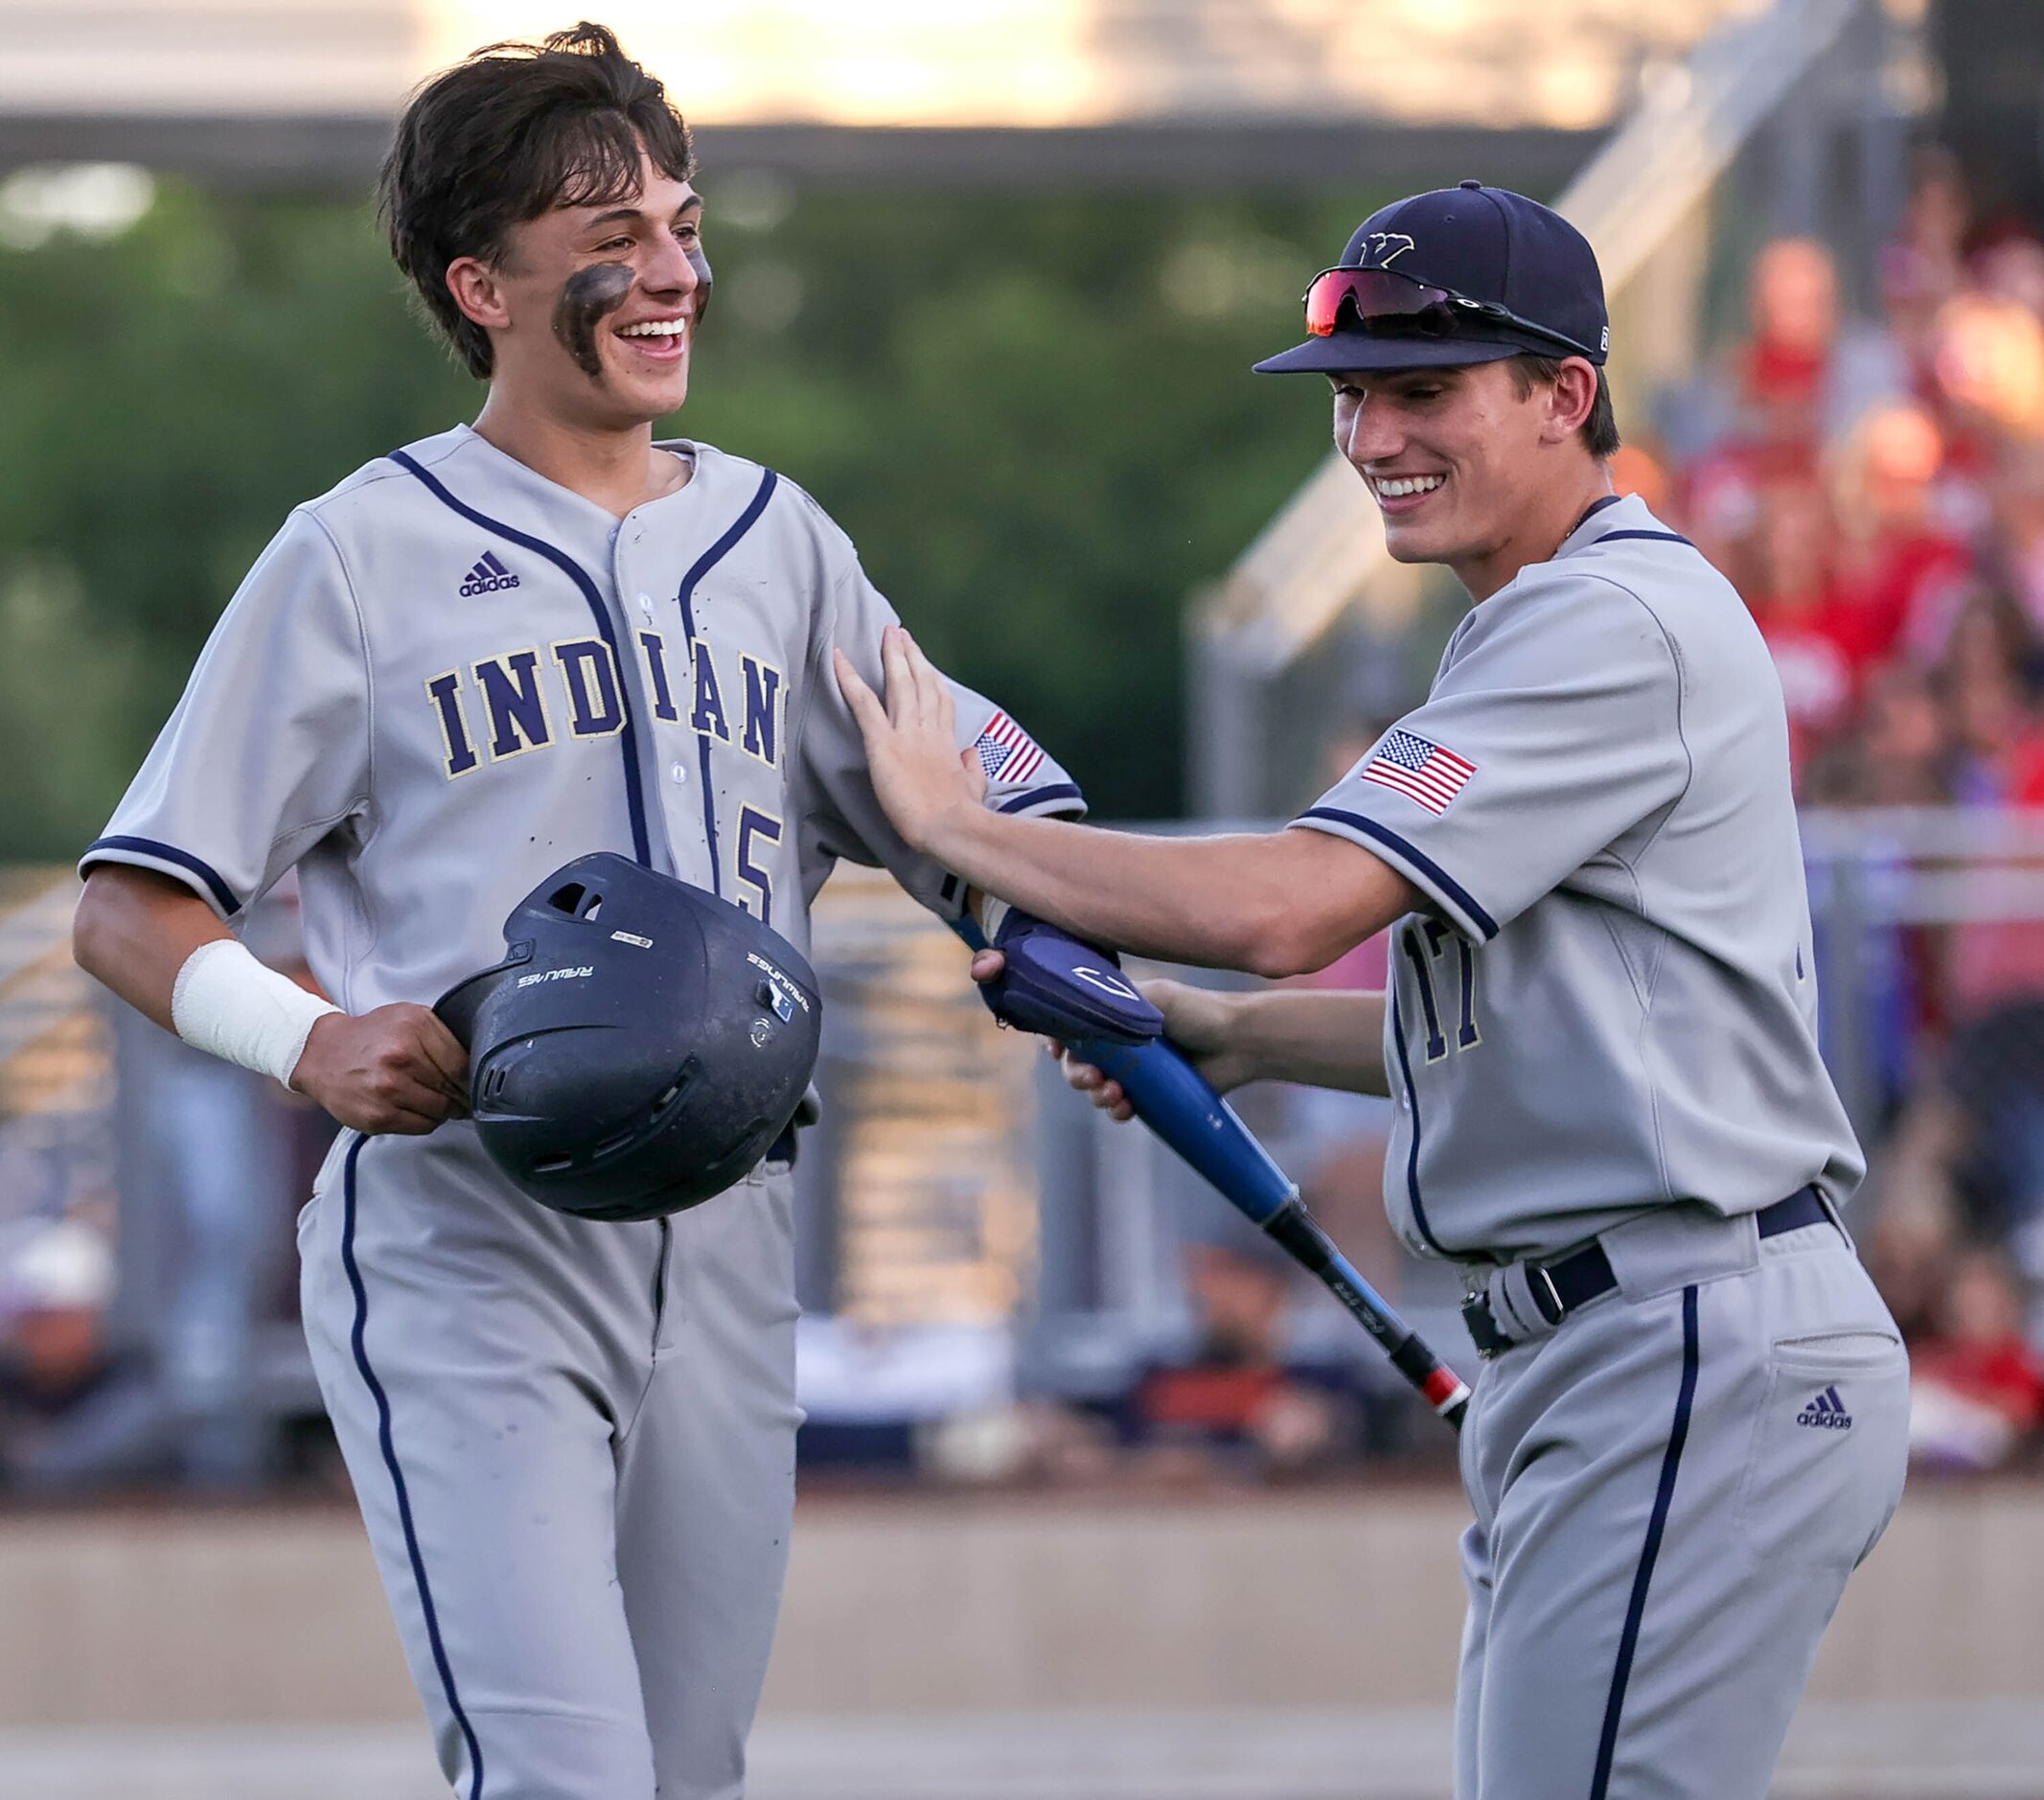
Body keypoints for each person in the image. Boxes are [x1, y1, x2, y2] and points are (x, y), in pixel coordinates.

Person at [69, 25, 1082, 1800]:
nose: (673, 268)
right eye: (610, 230)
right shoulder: (358, 549)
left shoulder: (781, 542)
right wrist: (305, 1037)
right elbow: (130, 909)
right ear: (483, 282)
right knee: (566, 1780)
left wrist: (1099, 959)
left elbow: (980, 806)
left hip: (737, 1231)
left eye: (683, 224)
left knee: (683, 1779)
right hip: (472, 1229)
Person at [838, 183, 1912, 1800]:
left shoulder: (1605, 620)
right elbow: (1519, 1039)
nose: (1370, 436)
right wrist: (1225, 1034)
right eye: (1352, 394)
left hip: (1684, 1343)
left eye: (1423, 388)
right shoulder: (1533, 625)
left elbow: (1286, 906)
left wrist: (947, 827)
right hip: (1628, 1346)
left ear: (1564, 394)